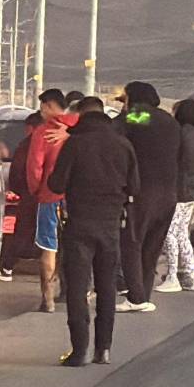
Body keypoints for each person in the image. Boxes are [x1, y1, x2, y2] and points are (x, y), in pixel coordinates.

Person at [48, 97, 140, 366]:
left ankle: (79, 351)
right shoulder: (123, 144)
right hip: (110, 225)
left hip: (79, 224)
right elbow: (135, 187)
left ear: (80, 115)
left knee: (77, 289)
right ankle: (104, 349)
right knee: (107, 288)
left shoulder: (75, 144)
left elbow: (56, 184)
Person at [112, 82, 181, 311]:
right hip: (169, 193)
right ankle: (144, 294)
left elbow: (113, 131)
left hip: (143, 192)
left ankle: (136, 297)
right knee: (152, 246)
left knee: (132, 242)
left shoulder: (139, 116)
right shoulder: (169, 121)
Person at [26, 89, 78, 312]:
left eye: (42, 107)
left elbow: (35, 167)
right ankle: (80, 293)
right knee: (78, 246)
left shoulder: (43, 132)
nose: (41, 111)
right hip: (78, 196)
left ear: (48, 106)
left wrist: (36, 191)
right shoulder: (78, 127)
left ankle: (48, 299)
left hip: (50, 195)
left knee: (48, 246)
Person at [155, 94, 194, 293]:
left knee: (169, 232)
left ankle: (172, 276)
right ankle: (189, 276)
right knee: (182, 233)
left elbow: (172, 161)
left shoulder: (181, 134)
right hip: (193, 190)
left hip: (179, 189)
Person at [0, 111, 44, 282]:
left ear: (30, 128)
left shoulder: (26, 145)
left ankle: (7, 267)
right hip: (51, 195)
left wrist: (21, 191)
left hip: (30, 195)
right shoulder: (55, 140)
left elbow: (16, 172)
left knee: (22, 232)